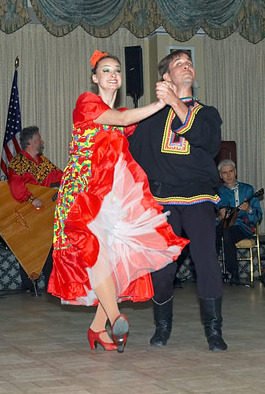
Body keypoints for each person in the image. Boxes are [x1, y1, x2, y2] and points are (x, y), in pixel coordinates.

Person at [48, 50, 188, 353]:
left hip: (111, 197)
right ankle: (115, 318)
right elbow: (123, 117)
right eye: (106, 70)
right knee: (95, 252)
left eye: (117, 70)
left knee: (115, 261)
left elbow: (139, 130)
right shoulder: (87, 103)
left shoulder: (126, 121)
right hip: (83, 194)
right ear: (96, 78)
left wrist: (177, 100)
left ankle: (97, 329)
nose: (113, 75)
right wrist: (163, 101)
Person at [128, 49, 227, 352]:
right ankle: (162, 326)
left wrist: (174, 102)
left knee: (207, 260)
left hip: (198, 197)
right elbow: (129, 151)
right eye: (178, 64)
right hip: (164, 200)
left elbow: (208, 141)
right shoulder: (152, 117)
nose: (187, 67)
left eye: (189, 63)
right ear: (166, 77)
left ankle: (213, 330)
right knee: (161, 267)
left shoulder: (207, 113)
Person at [7, 126, 63, 291]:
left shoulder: (43, 162)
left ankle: (50, 285)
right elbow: (16, 188)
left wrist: (76, 172)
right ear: (30, 142)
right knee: (30, 249)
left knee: (48, 247)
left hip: (44, 213)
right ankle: (29, 285)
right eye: (39, 139)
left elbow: (60, 175)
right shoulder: (17, 163)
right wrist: (31, 199)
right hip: (25, 213)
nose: (42, 142)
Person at [216, 159, 262, 285]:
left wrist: (249, 209)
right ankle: (211, 273)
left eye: (231, 171)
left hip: (242, 227)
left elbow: (258, 215)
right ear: (220, 175)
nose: (228, 175)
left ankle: (233, 273)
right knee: (211, 236)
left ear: (235, 172)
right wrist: (219, 216)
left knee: (228, 234)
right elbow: (210, 215)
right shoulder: (218, 193)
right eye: (224, 173)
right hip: (222, 226)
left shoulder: (247, 190)